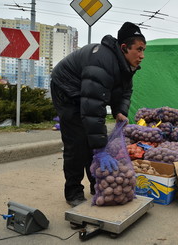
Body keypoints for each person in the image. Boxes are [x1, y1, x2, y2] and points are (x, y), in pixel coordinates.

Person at [50, 22, 146, 207]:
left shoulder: (126, 65)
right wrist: (100, 148)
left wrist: (120, 111)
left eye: (144, 50)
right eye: (139, 50)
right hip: (66, 89)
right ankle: (73, 192)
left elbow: (125, 91)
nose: (142, 56)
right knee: (77, 142)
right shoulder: (102, 61)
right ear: (124, 48)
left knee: (92, 140)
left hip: (86, 92)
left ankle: (97, 184)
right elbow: (93, 109)